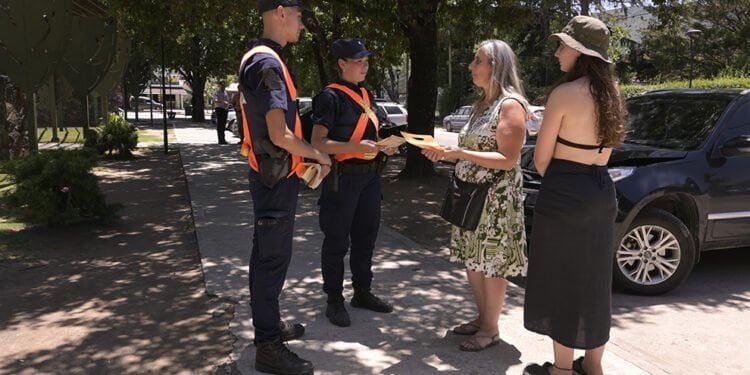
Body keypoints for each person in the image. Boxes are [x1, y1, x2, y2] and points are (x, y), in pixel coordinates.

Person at [522, 16, 626, 375]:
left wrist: (563, 187)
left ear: (580, 52)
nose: (557, 53)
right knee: (595, 280)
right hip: (601, 189)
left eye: (563, 46)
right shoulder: (612, 93)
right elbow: (607, 152)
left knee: (560, 278)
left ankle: (562, 370)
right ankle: (593, 365)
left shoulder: (564, 94)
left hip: (566, 190)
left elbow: (540, 159)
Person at [238, 1, 331, 374]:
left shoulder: (261, 58)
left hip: (270, 176)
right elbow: (281, 134)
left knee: (265, 257)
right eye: (299, 15)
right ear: (281, 12)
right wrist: (317, 156)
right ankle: (268, 347)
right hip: (275, 179)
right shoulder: (267, 63)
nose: (302, 25)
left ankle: (269, 326)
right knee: (272, 261)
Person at [422, 39, 528, 352]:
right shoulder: (481, 104)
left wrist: (460, 153)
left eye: (478, 60)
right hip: (469, 196)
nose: (471, 67)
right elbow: (471, 151)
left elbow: (508, 159)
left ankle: (490, 329)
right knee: (473, 260)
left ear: (496, 67)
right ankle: (483, 319)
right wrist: (446, 153)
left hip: (495, 202)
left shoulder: (510, 105)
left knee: (492, 263)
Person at [310, 38, 398, 328]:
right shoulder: (329, 97)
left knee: (366, 238)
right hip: (342, 179)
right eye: (358, 61)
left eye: (366, 61)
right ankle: (334, 298)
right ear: (342, 64)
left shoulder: (366, 95)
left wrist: (384, 145)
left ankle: (362, 291)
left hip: (370, 178)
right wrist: (356, 147)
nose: (364, 66)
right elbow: (318, 143)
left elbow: (368, 137)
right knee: (336, 241)